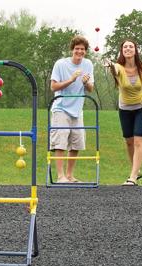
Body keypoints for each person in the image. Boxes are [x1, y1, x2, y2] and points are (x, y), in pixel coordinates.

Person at [105, 39, 142, 186]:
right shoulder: (118, 67)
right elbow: (115, 70)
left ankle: (132, 177)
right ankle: (137, 169)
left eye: (131, 46)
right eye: (125, 47)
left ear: (135, 50)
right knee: (129, 141)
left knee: (138, 140)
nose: (128, 48)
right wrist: (110, 66)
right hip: (125, 108)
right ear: (122, 51)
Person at [50, 35, 94, 183]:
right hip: (61, 107)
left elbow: (90, 89)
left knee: (77, 142)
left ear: (85, 51)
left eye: (82, 49)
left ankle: (69, 175)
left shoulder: (88, 64)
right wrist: (71, 79)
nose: (79, 51)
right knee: (61, 142)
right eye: (77, 49)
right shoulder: (61, 64)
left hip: (77, 108)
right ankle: (60, 176)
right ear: (72, 49)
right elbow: (53, 87)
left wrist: (86, 82)